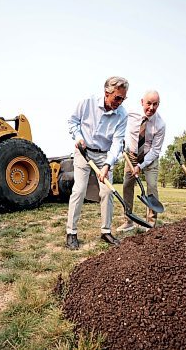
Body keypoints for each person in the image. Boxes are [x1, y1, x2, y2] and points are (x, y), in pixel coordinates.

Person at [66, 76, 129, 250]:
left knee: (107, 192)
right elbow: (73, 122)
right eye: (117, 98)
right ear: (106, 92)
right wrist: (78, 137)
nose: (120, 102)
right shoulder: (87, 102)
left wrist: (108, 164)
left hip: (104, 155)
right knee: (79, 190)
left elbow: (117, 142)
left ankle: (106, 231)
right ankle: (71, 233)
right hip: (83, 152)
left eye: (123, 99)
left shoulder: (122, 114)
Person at [118, 90, 166, 231]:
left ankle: (150, 223)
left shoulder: (160, 124)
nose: (151, 108)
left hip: (150, 158)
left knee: (151, 187)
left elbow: (155, 150)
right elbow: (118, 123)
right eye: (148, 103)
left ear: (159, 105)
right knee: (127, 185)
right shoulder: (131, 113)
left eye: (155, 104)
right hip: (131, 156)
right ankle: (128, 220)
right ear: (142, 102)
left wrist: (141, 165)